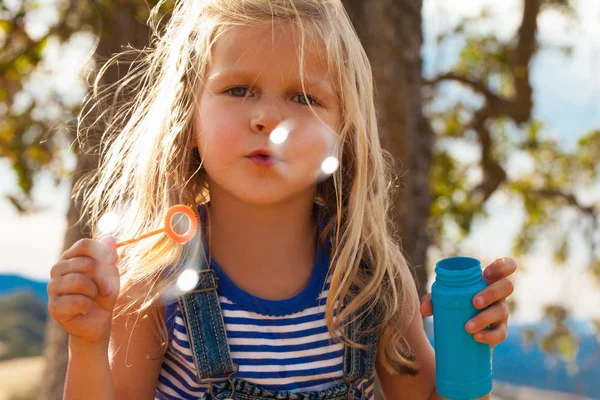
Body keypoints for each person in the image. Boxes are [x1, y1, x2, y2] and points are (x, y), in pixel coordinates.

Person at [47, 1, 517, 399]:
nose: (268, 117)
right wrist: (88, 343)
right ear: (187, 120)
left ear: (344, 136)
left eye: (303, 97)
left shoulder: (368, 278)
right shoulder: (156, 285)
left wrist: (469, 342)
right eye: (238, 90)